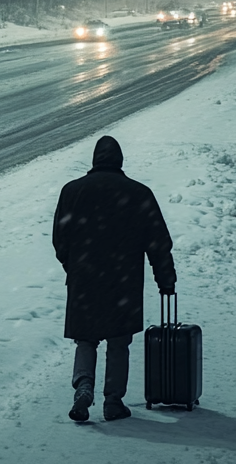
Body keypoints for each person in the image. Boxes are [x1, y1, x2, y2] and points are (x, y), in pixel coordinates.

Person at [52, 135, 176, 422]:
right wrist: (165, 280)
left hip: (84, 280)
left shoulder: (72, 191)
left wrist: (73, 265)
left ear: (94, 160)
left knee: (86, 339)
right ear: (120, 161)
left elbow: (61, 239)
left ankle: (83, 385)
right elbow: (158, 242)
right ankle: (113, 401)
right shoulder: (138, 193)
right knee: (119, 342)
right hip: (124, 281)